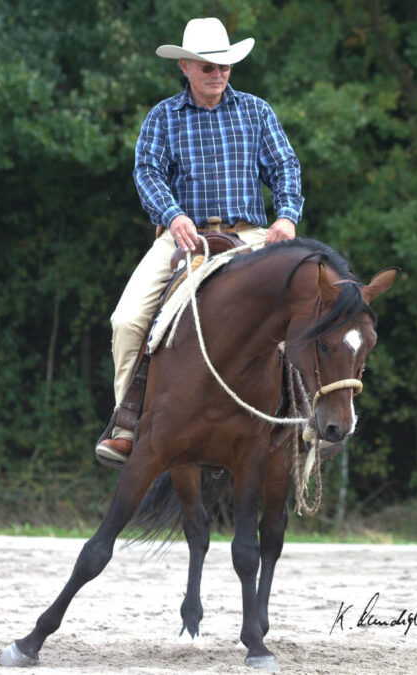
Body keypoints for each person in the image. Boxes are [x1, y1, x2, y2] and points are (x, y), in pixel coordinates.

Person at [95, 17, 304, 466]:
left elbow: (285, 167)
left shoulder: (256, 111)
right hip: (182, 236)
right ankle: (128, 421)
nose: (218, 74)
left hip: (248, 233)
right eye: (208, 66)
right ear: (185, 66)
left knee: (295, 312)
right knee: (128, 320)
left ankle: (301, 422)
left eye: (225, 66)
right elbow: (147, 173)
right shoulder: (162, 118)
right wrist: (173, 216)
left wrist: (286, 215)